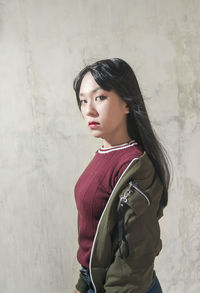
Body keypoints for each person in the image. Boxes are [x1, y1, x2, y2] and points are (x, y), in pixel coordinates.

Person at [73, 58, 170, 293]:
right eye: (83, 101)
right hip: (95, 281)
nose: (89, 110)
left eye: (100, 97)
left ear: (127, 103)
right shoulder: (104, 154)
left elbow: (133, 260)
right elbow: (94, 234)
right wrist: (82, 283)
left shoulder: (136, 167)